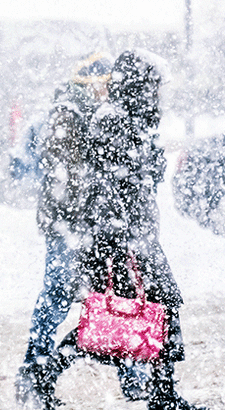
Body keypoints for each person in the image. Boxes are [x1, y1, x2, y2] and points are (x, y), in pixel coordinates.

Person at [34, 50, 209, 410]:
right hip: (120, 241)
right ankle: (46, 377)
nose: (159, 96)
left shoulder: (131, 120)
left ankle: (161, 392)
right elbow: (113, 186)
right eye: (155, 87)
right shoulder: (113, 121)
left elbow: (140, 179)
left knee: (126, 314)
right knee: (113, 317)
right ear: (138, 87)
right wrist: (123, 240)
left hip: (133, 237)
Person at [15, 52, 117, 407]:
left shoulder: (84, 114)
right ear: (90, 84)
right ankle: (33, 374)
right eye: (104, 84)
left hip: (79, 225)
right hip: (69, 227)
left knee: (92, 297)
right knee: (56, 298)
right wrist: (88, 211)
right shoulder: (68, 116)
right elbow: (66, 179)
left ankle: (39, 373)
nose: (109, 91)